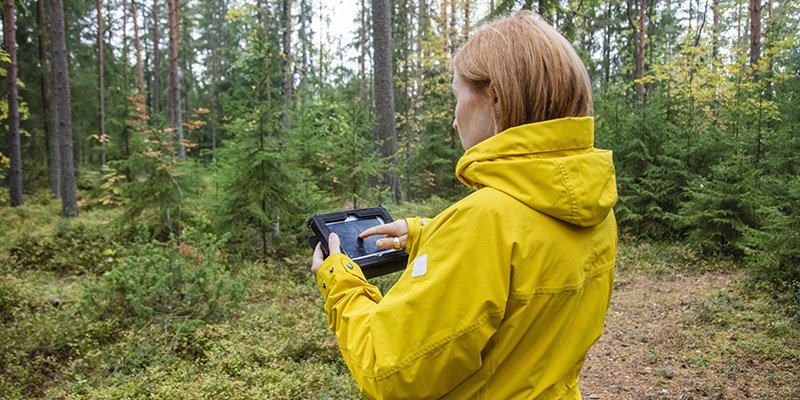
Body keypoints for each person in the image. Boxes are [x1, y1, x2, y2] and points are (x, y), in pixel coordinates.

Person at [311, 10, 617, 400]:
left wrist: (339, 283)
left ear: (495, 98)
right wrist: (430, 234)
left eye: (457, 97)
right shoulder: (594, 204)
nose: (454, 121)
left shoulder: (484, 223)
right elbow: (526, 272)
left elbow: (388, 371)